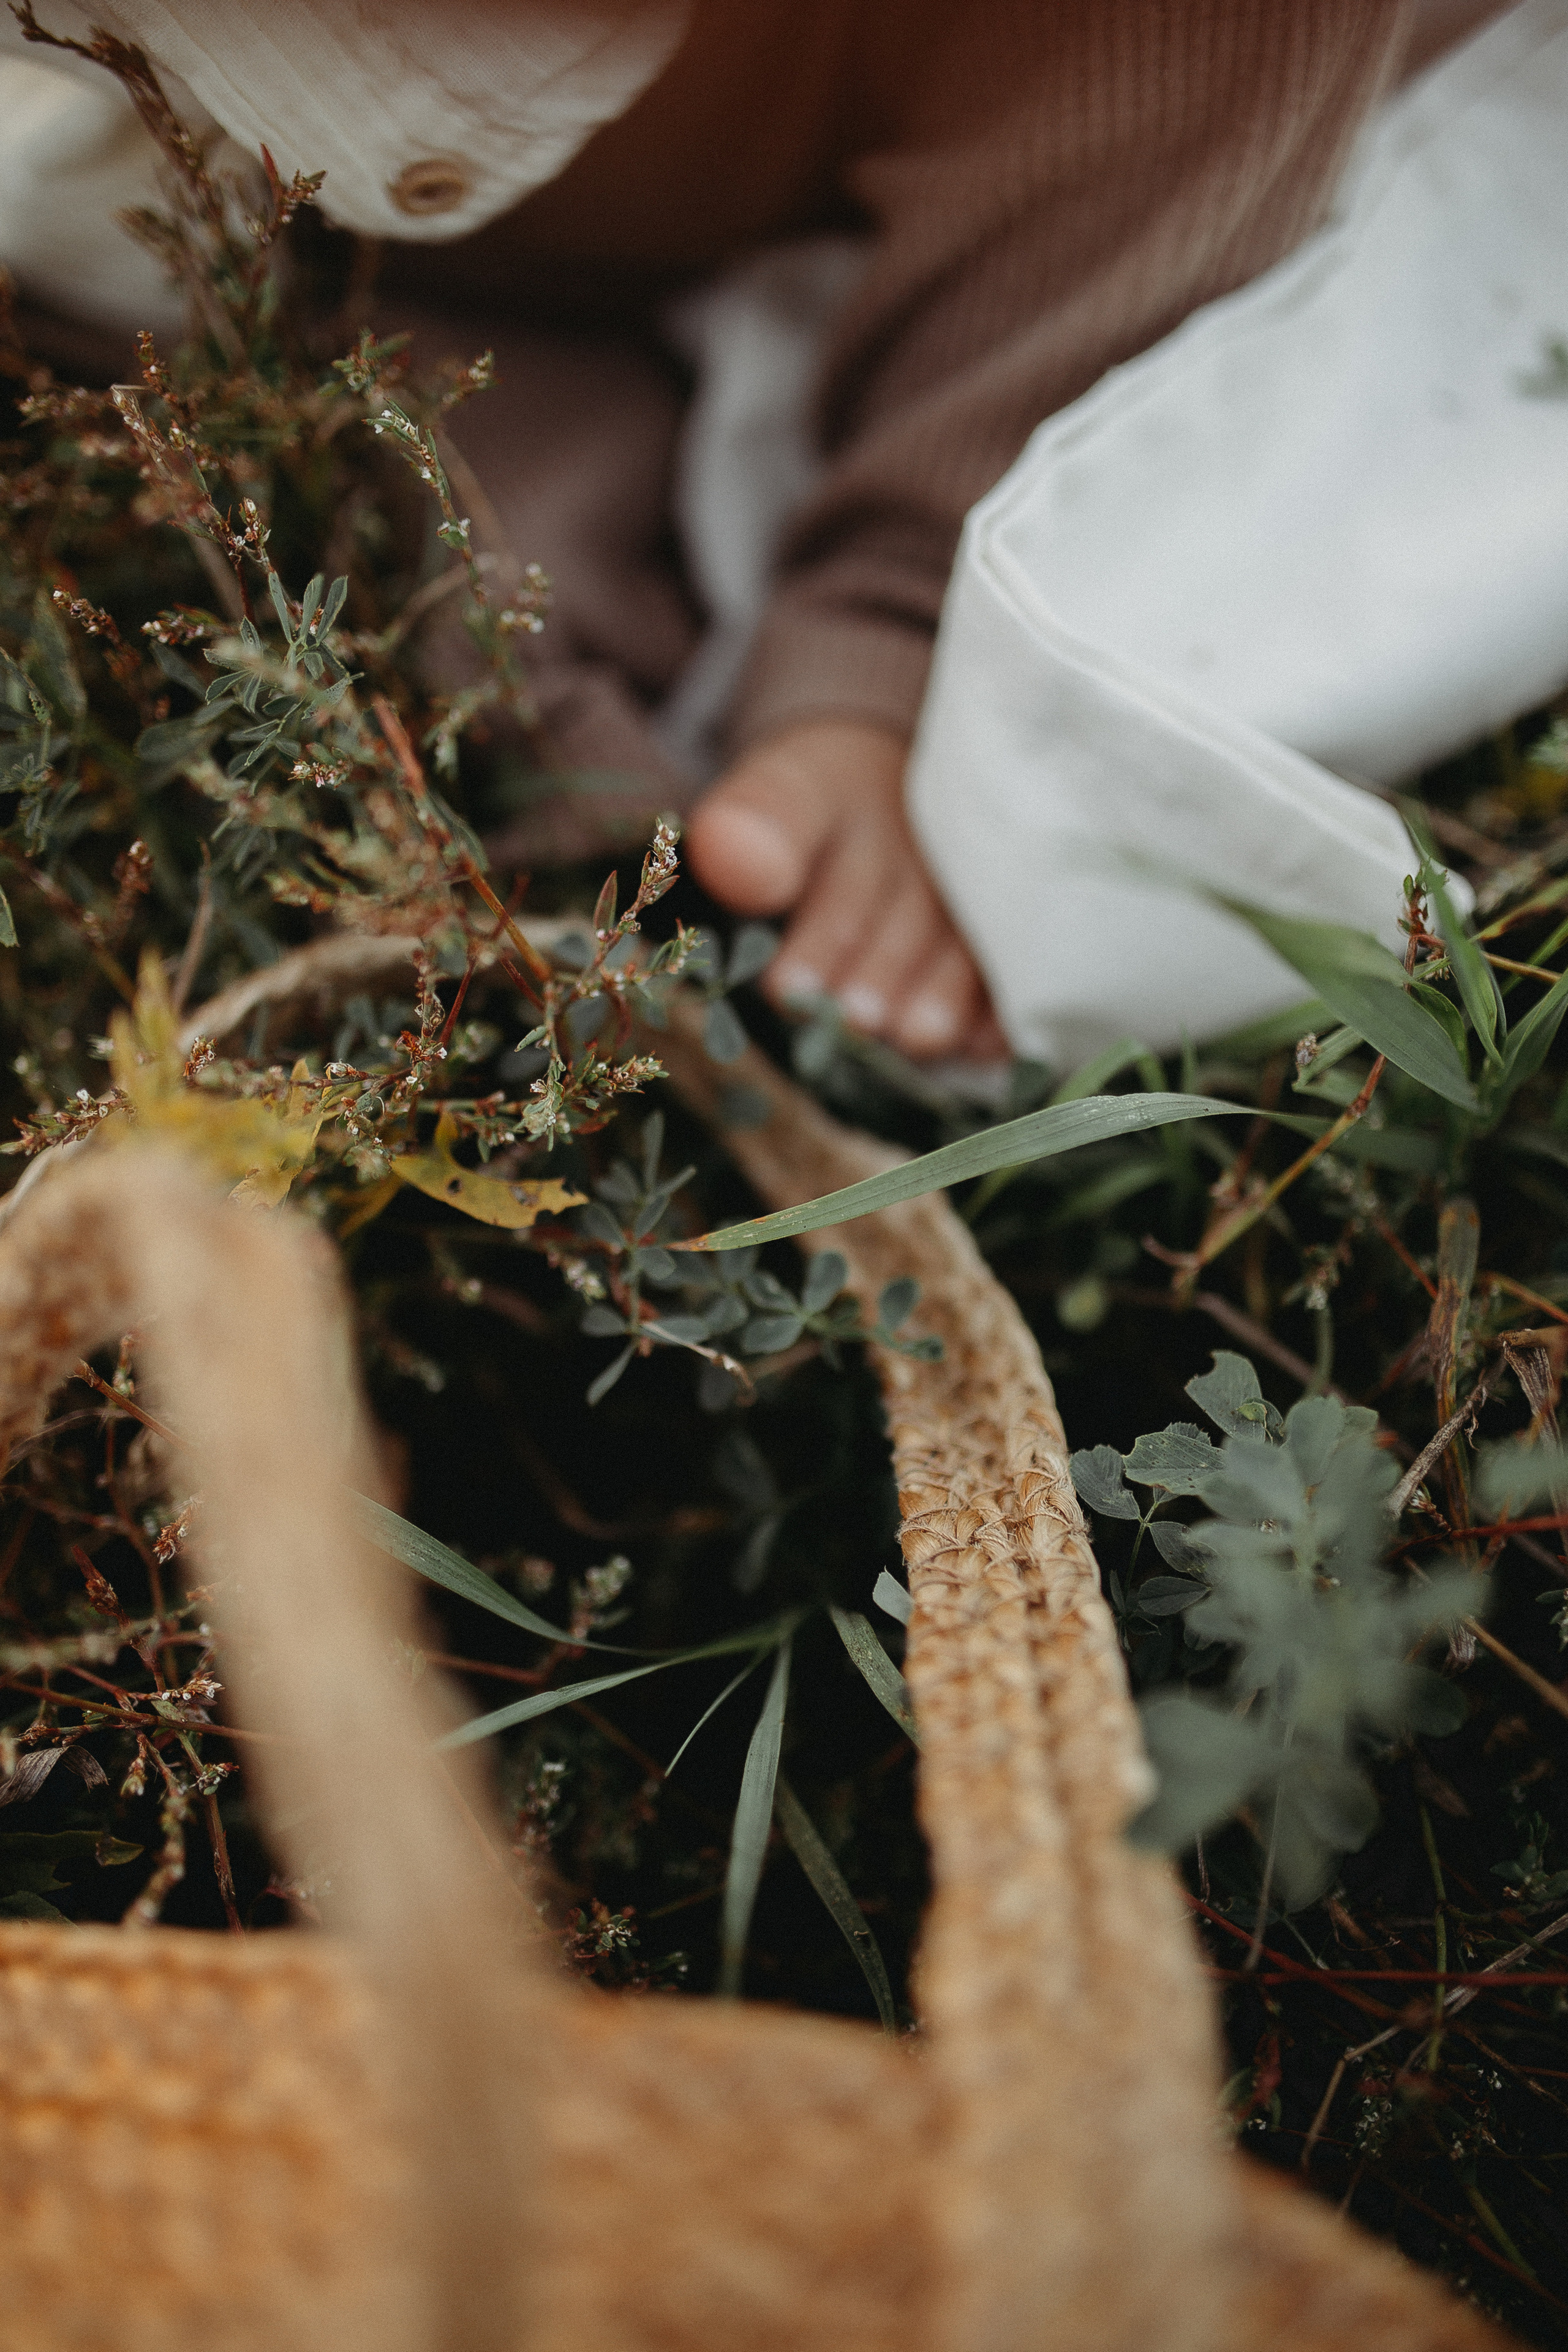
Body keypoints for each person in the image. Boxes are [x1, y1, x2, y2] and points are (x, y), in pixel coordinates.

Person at [0, 0, 1504, 1057]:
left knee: (1180, 142)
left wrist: (898, 604)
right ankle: (597, 870)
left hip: (982, 97)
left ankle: (893, 615)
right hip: (340, 199)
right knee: (433, 515)